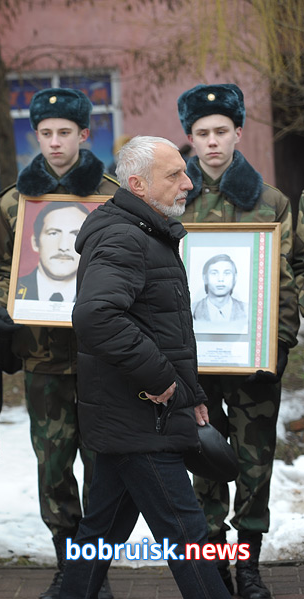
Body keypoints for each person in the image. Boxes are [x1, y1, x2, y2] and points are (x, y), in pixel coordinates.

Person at [59, 135, 229, 599]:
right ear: (137, 184)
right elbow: (97, 315)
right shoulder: (124, 235)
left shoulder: (144, 230)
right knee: (187, 537)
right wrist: (162, 380)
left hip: (135, 414)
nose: (187, 182)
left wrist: (189, 395)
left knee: (101, 532)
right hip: (140, 415)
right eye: (174, 175)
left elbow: (158, 325)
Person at [0, 87, 119, 599]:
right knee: (54, 464)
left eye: (66, 132)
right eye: (46, 133)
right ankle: (68, 564)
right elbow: (2, 269)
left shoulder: (111, 196)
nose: (56, 142)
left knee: (103, 465)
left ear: (84, 135)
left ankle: (96, 570)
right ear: (34, 135)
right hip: (43, 358)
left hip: (103, 357)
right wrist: (1, 307)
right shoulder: (15, 203)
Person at [177, 83, 299, 599]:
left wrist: (278, 348)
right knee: (204, 466)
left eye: (221, 131)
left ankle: (248, 568)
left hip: (253, 365)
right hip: (195, 365)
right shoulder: (172, 197)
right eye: (201, 133)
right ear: (189, 136)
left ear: (238, 133)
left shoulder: (268, 200)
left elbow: (286, 280)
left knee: (254, 465)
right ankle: (214, 565)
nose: (211, 142)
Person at [15, 202, 89, 302]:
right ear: (35, 242)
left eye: (76, 234)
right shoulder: (12, 291)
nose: (63, 247)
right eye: (53, 233)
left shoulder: (101, 293)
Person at [191, 254, 247, 326]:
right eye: (214, 273)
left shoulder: (247, 310)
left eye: (227, 273)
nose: (220, 279)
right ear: (205, 278)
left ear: (235, 278)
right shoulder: (192, 309)